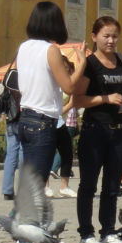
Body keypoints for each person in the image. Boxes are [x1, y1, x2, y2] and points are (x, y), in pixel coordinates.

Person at [72, 16, 122, 243]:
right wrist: (105, 99)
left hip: (119, 131)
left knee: (112, 186)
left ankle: (108, 231)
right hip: (94, 130)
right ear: (94, 37)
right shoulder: (89, 64)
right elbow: (78, 99)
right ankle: (86, 233)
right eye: (106, 36)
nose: (111, 41)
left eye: (114, 36)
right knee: (88, 185)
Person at [14, 1, 87, 211]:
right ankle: (27, 237)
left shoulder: (24, 47)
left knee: (30, 181)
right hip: (43, 121)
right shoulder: (51, 50)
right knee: (36, 185)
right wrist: (81, 64)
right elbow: (69, 86)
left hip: (26, 117)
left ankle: (27, 232)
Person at [46, 57, 79, 199]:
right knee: (46, 154)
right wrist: (71, 105)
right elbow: (56, 109)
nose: (66, 70)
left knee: (67, 153)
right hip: (49, 121)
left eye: (67, 68)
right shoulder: (51, 83)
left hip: (61, 123)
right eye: (63, 68)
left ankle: (64, 186)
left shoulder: (65, 84)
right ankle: (44, 186)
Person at [0, 62, 22, 201]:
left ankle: (7, 190)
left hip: (11, 120)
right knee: (24, 153)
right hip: (24, 119)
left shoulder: (10, 77)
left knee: (11, 155)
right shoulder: (27, 77)